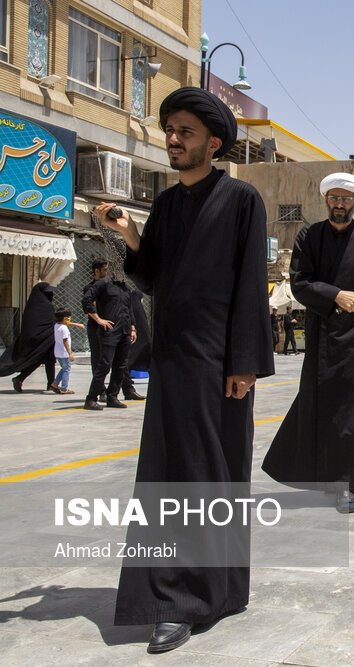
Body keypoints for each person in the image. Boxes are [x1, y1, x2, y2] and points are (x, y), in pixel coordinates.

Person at [96, 86, 273, 653]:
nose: (172, 140)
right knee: (170, 477)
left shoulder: (242, 200)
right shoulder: (168, 206)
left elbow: (250, 285)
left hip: (220, 363)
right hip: (173, 362)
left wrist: (245, 362)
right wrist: (128, 232)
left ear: (212, 142)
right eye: (169, 130)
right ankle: (177, 595)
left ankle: (207, 595)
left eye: (185, 132)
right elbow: (150, 276)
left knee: (211, 475)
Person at [262, 172, 354, 513]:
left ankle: (347, 485)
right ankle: (324, 478)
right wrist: (335, 295)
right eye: (334, 198)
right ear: (326, 201)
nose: (339, 204)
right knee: (318, 408)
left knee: (353, 413)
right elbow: (300, 284)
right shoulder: (309, 235)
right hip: (322, 339)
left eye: (345, 199)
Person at [82, 258, 135, 410]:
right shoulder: (103, 284)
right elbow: (87, 300)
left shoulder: (125, 287)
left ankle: (113, 397)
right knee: (104, 364)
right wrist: (98, 319)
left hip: (124, 331)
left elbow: (129, 309)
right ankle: (91, 398)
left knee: (120, 365)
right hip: (109, 332)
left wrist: (132, 328)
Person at [0, 282, 57, 392]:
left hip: (44, 338)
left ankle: (48, 383)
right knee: (43, 359)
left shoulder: (32, 305)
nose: (50, 294)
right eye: (48, 292)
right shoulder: (45, 306)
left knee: (47, 359)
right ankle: (22, 379)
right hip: (41, 339)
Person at [51, 309, 78, 394]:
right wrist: (70, 353)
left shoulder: (56, 325)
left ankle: (55, 384)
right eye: (68, 317)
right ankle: (64, 388)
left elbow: (67, 324)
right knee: (66, 370)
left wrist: (78, 325)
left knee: (64, 368)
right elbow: (65, 340)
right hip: (64, 352)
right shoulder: (64, 328)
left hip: (57, 352)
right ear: (65, 318)